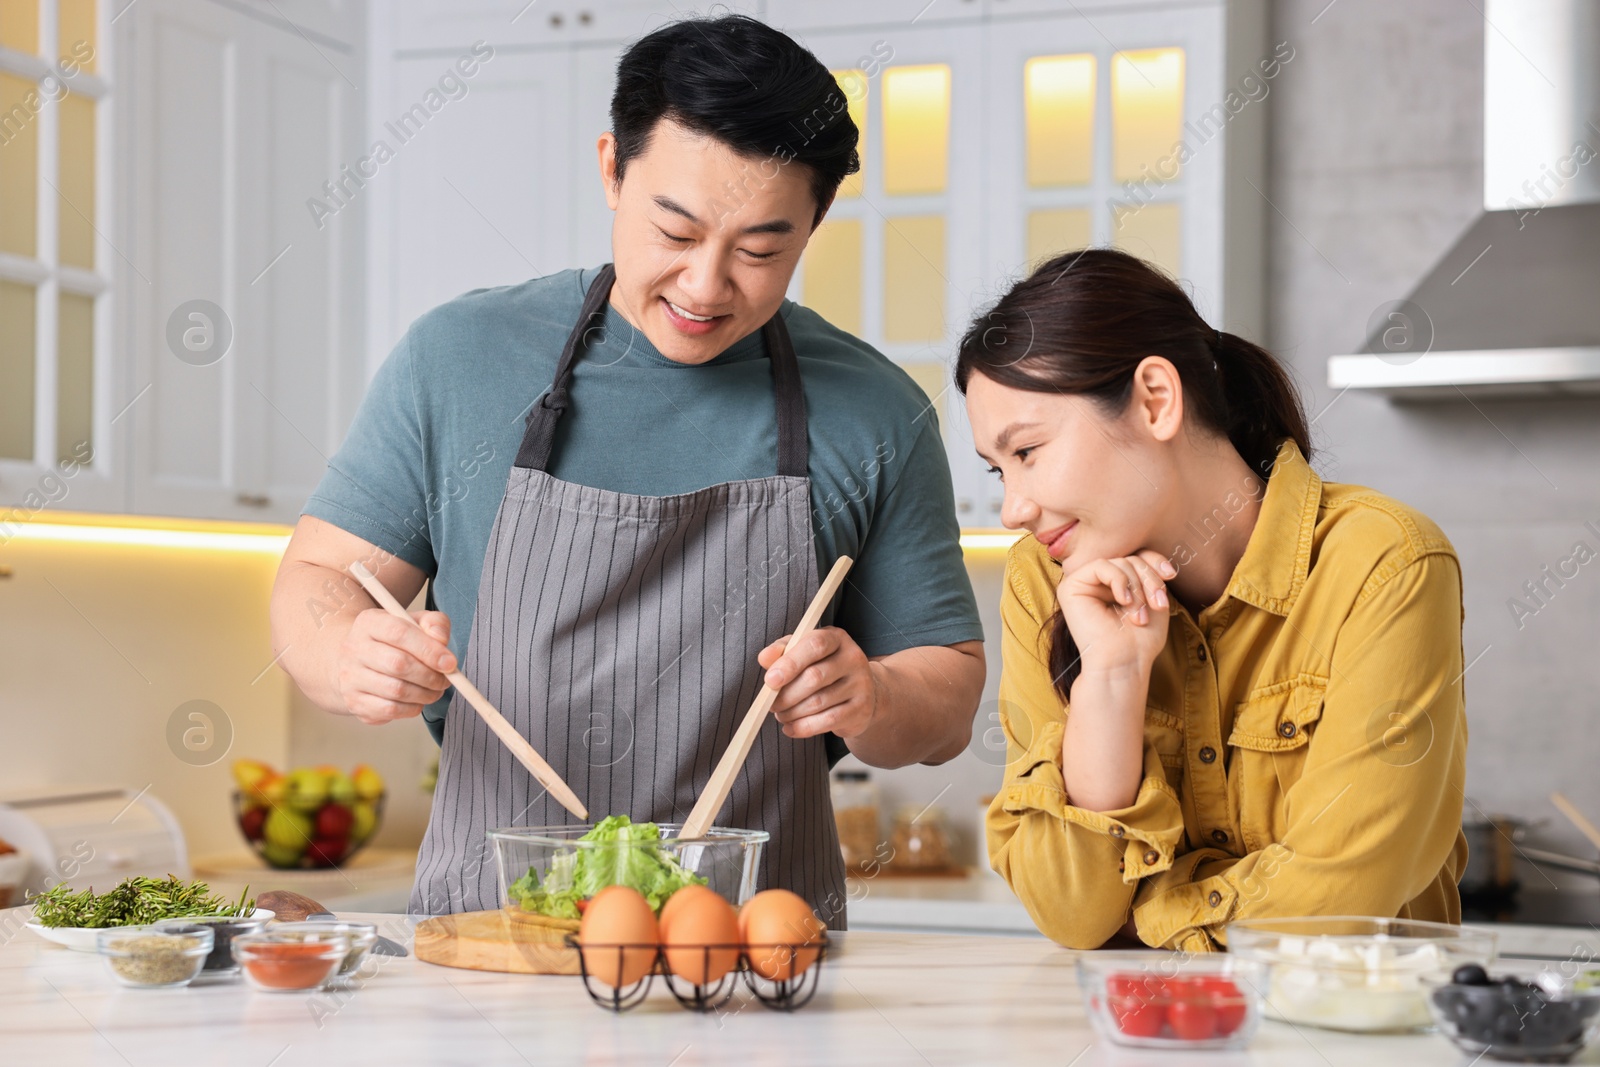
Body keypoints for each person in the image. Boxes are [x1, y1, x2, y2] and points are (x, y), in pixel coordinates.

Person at [268, 15, 985, 923]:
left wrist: (875, 694)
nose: (706, 285)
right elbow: (317, 581)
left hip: (749, 955)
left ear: (815, 224)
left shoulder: (876, 410)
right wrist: (344, 650)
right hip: (492, 939)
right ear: (612, 168)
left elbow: (949, 695)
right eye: (675, 231)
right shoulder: (458, 358)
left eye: (762, 250)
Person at [959, 249, 1467, 952]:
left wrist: (1148, 916)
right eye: (996, 468)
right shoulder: (1043, 582)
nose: (1013, 507)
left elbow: (1340, 900)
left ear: (1156, 400)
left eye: (1029, 451)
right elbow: (1072, 912)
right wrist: (1110, 679)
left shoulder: (1384, 561)